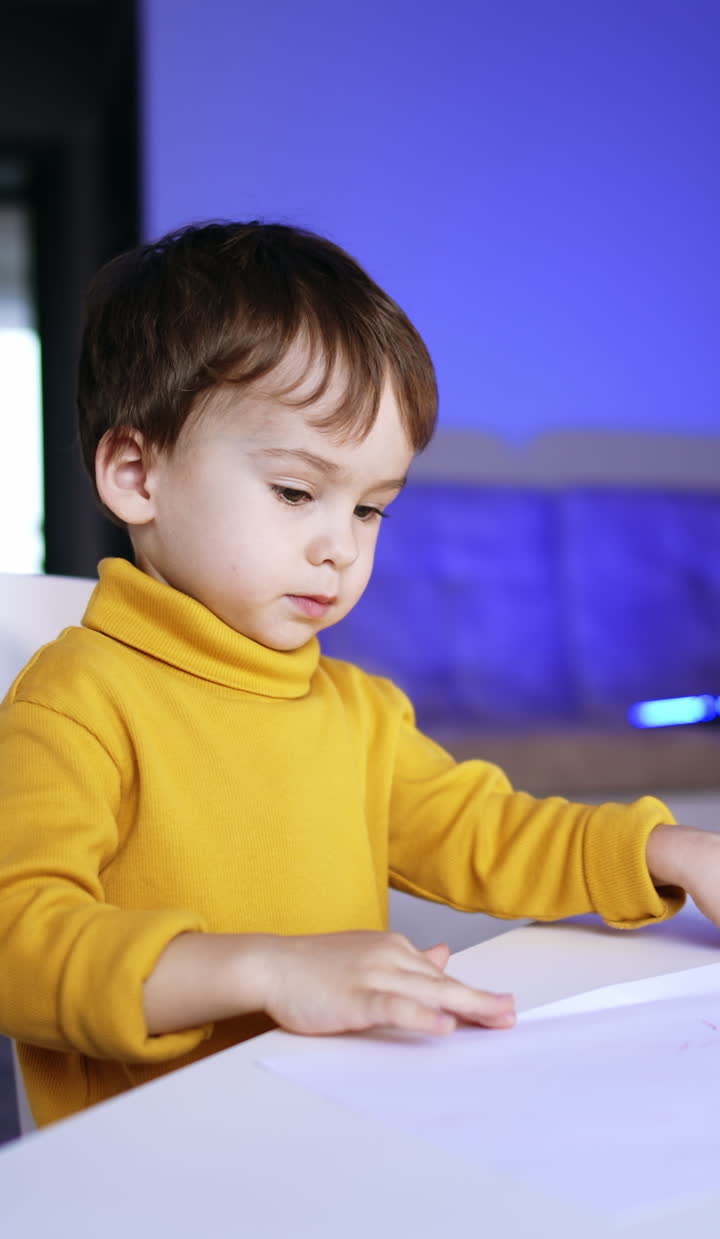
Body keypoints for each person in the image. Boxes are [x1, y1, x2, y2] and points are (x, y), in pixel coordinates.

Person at [0, 221, 717, 1129]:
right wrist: (267, 970)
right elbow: (16, 938)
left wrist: (669, 851)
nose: (340, 547)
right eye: (298, 492)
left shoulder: (357, 712)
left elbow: (485, 830)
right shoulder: (79, 700)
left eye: (372, 508)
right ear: (137, 473)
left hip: (336, 1127)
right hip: (158, 1171)